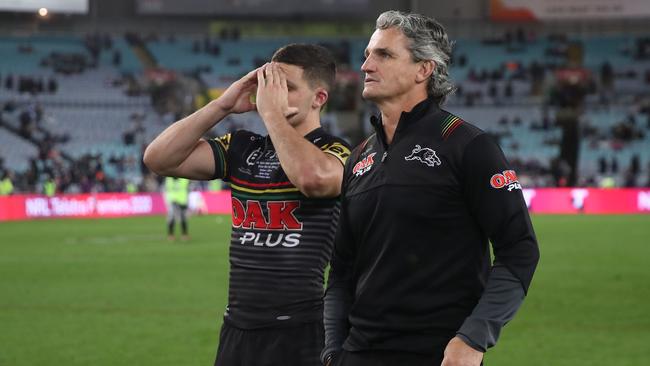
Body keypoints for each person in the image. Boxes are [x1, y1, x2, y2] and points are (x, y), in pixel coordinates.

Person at [322, 11, 540, 366]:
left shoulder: (468, 145)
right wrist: (332, 350)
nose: (366, 65)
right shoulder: (359, 157)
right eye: (367, 54)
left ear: (424, 69)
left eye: (384, 55)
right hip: (358, 353)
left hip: (440, 355)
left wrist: (473, 338)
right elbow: (341, 272)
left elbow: (519, 250)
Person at [143, 44, 351, 366]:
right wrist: (222, 105)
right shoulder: (242, 147)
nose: (274, 96)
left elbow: (313, 179)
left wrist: (271, 115)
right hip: (237, 329)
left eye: (288, 88)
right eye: (271, 85)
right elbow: (158, 158)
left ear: (319, 98)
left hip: (299, 331)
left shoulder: (336, 151)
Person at [164, 176, 190, 241]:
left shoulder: (183, 179)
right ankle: (171, 234)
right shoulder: (169, 179)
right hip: (173, 200)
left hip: (182, 200)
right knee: (172, 218)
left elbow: (187, 188)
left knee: (183, 218)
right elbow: (168, 189)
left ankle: (184, 234)